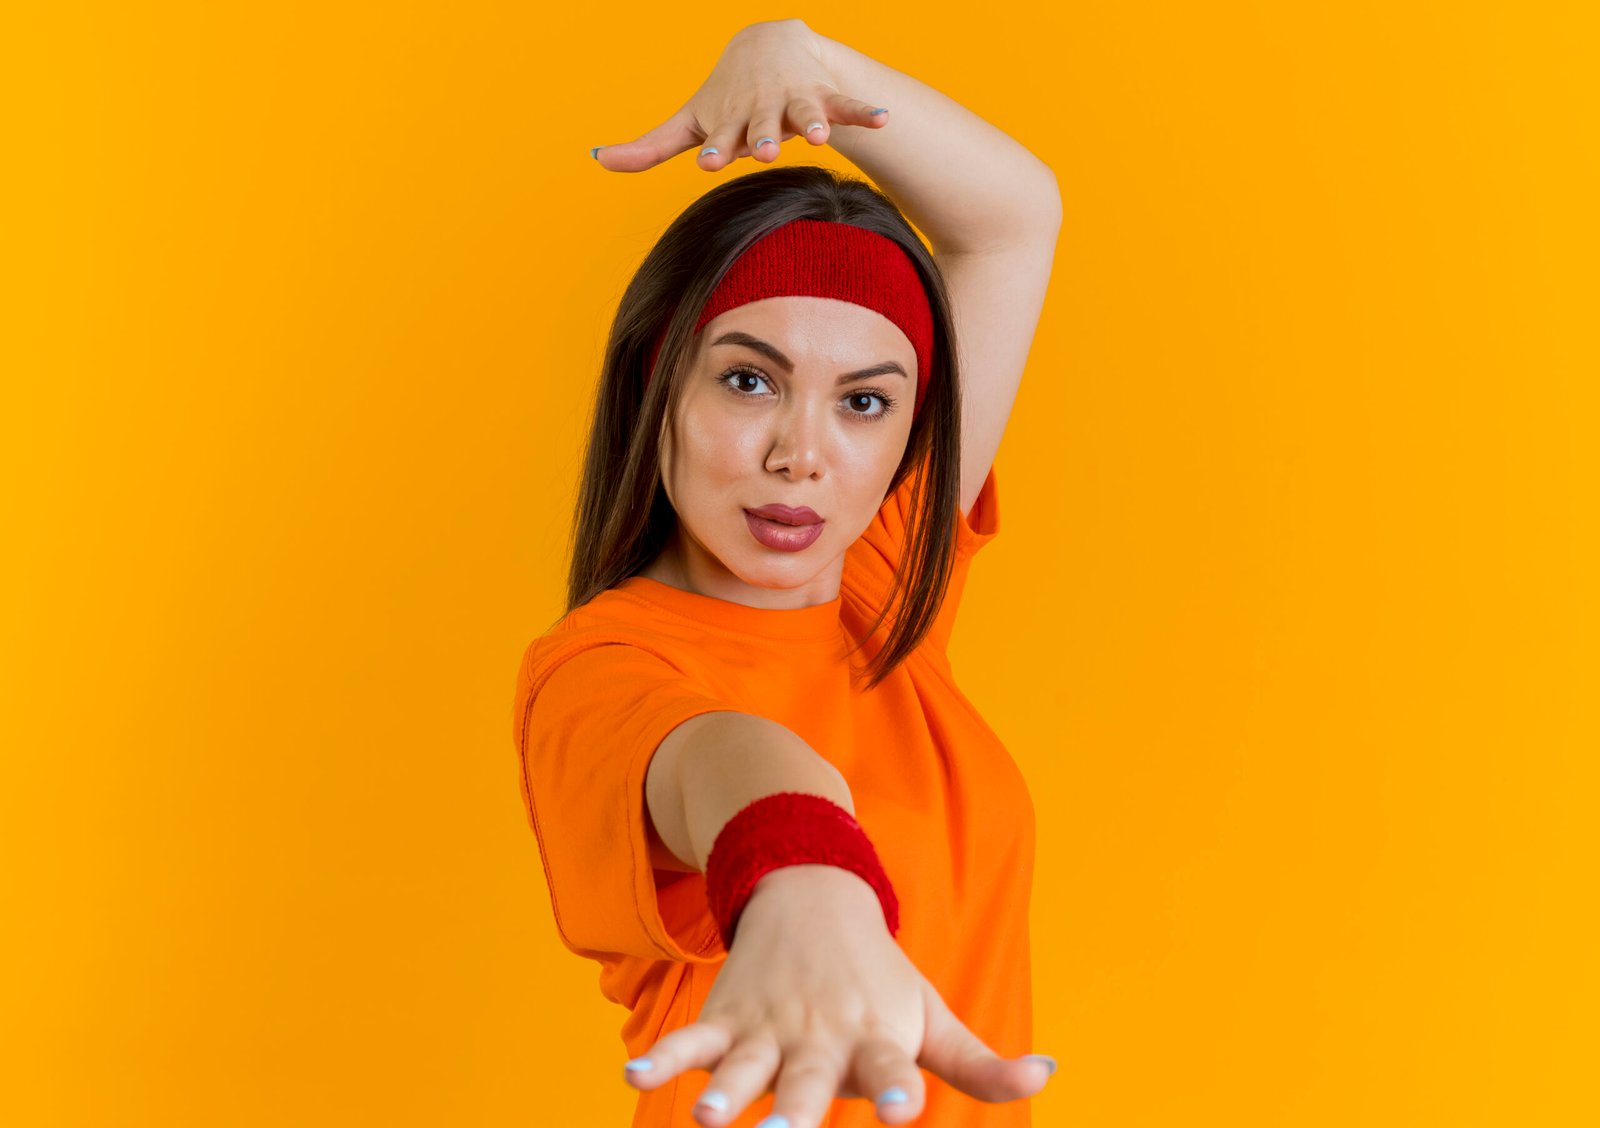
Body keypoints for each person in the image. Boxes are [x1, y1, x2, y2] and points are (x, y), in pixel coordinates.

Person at [511, 19, 1062, 1128]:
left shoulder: (881, 581)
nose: (801, 455)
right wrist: (809, 878)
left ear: (909, 432)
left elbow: (1012, 220)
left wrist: (804, 60)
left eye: (863, 402)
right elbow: (725, 760)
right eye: (750, 382)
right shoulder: (597, 672)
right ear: (659, 384)